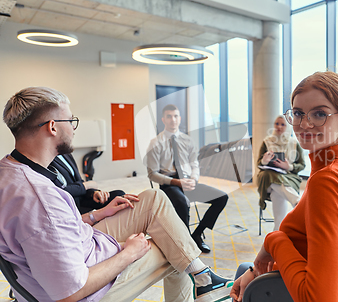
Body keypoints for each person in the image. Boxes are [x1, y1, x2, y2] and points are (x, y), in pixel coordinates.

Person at [0, 87, 233, 302]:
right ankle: (203, 280)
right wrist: (128, 254)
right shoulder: (39, 200)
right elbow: (70, 292)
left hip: (81, 244)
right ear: (52, 127)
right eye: (71, 120)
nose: (73, 127)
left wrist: (97, 215)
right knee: (174, 249)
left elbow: (52, 229)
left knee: (153, 200)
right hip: (86, 285)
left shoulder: (10, 170)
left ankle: (203, 276)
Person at [230, 71, 338, 302]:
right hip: (329, 288)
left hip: (291, 293)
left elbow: (320, 299)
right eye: (299, 113)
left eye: (320, 113)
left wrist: (273, 240)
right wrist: (256, 268)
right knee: (244, 271)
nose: (304, 124)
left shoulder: (328, 180)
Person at [145, 104, 229, 254]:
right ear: (163, 119)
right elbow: (152, 174)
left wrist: (194, 179)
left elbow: (194, 164)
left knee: (222, 197)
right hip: (169, 184)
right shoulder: (155, 143)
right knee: (183, 203)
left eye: (176, 116)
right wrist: (176, 182)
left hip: (188, 182)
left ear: (180, 118)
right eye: (169, 116)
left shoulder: (188, 141)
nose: (173, 120)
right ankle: (184, 242)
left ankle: (196, 235)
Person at [256, 115, 305, 231]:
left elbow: (302, 165)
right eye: (277, 123)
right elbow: (259, 163)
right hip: (267, 180)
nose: (279, 127)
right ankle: (297, 201)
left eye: (283, 124)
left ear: (288, 127)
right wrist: (265, 161)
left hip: (288, 178)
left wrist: (289, 166)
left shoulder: (294, 143)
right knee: (269, 175)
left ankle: (277, 230)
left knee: (276, 193)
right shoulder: (267, 142)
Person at [49, 153, 125, 213]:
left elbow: (78, 181)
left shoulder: (66, 154)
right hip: (71, 208)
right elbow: (58, 191)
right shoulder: (47, 160)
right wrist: (86, 185)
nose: (73, 133)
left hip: (82, 200)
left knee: (119, 195)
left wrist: (94, 193)